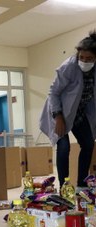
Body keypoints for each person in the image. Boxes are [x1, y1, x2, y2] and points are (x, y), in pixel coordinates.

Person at [40, 30, 96, 191]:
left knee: (88, 143)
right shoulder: (69, 67)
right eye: (82, 58)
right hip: (59, 112)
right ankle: (64, 186)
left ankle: (81, 183)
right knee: (64, 147)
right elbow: (54, 92)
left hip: (79, 112)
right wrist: (58, 117)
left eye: (90, 59)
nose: (85, 61)